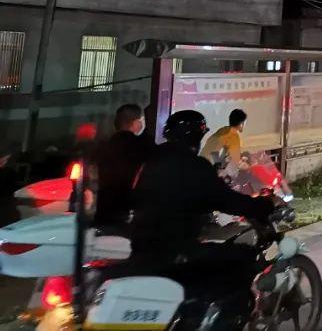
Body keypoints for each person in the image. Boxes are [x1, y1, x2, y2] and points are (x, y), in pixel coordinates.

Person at [129, 110, 273, 314]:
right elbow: (225, 200)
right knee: (243, 256)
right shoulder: (195, 166)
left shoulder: (149, 162)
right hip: (177, 254)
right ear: (196, 137)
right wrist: (261, 206)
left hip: (142, 249)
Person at [95, 103, 151, 227]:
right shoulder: (140, 147)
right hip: (127, 214)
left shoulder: (104, 145)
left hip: (104, 210)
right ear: (136, 123)